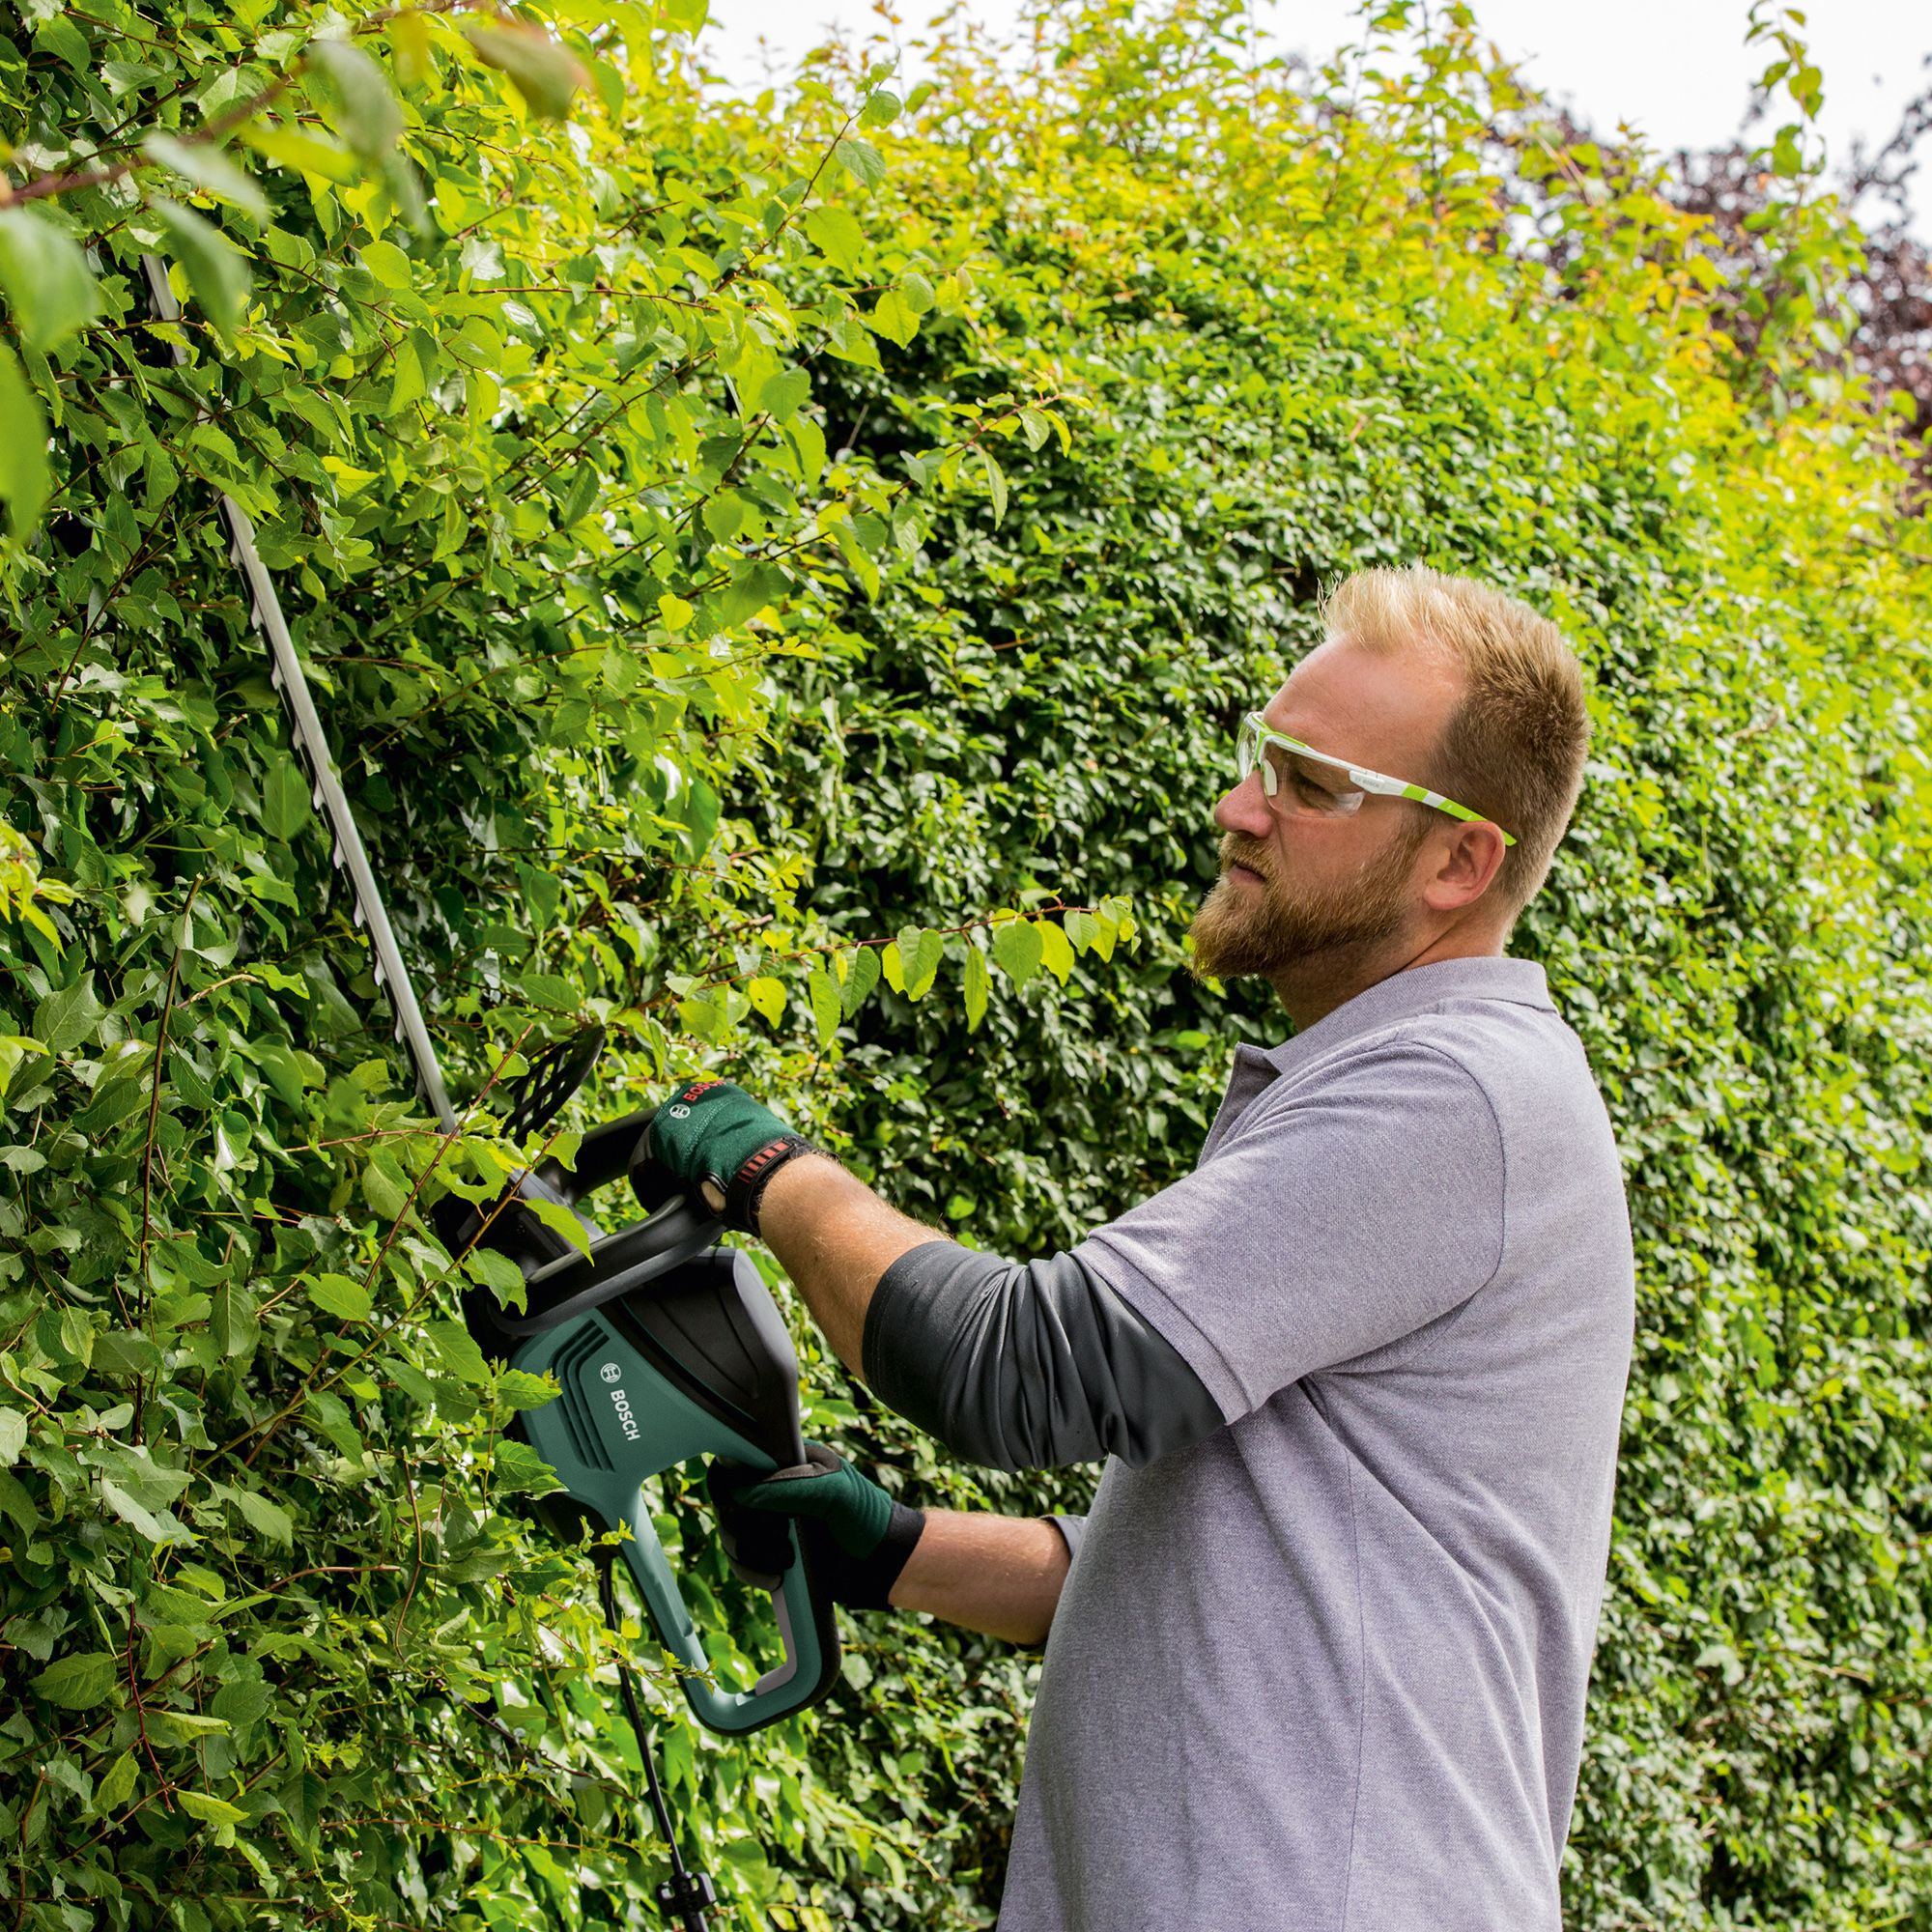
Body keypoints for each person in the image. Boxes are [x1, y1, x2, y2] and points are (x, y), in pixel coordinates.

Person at [647, 565, 1636, 1932]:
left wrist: (767, 1170)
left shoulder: (1454, 1098)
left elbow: (1011, 1366)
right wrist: (890, 1547)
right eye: (1260, 759)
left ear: (1461, 861)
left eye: (1314, 783)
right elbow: (1207, 1576)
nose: (1241, 810)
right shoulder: (1409, 1086)